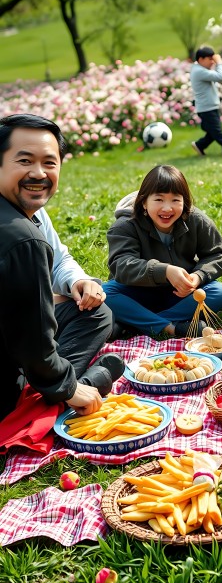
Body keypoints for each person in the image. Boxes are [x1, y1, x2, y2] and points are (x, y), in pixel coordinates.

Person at [0, 114, 124, 422]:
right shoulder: (22, 237)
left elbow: (60, 258)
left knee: (94, 308)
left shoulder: (30, 214)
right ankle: (71, 389)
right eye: (25, 160)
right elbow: (32, 335)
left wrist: (76, 281)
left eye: (50, 162)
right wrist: (67, 388)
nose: (38, 173)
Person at [103, 164, 222, 337]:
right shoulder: (125, 226)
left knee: (220, 293)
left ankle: (138, 325)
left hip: (178, 294)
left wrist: (198, 276)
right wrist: (164, 271)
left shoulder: (195, 219)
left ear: (184, 201)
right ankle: (170, 328)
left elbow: (218, 252)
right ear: (144, 203)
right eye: (159, 199)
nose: (167, 208)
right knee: (105, 293)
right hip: (137, 293)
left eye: (175, 200)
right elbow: (121, 264)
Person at [190, 46, 222, 157]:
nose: (213, 62)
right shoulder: (199, 71)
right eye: (210, 59)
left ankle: (200, 145)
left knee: (213, 131)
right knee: (216, 131)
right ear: (201, 59)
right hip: (207, 108)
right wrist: (219, 62)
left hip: (208, 106)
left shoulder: (199, 69)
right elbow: (221, 76)